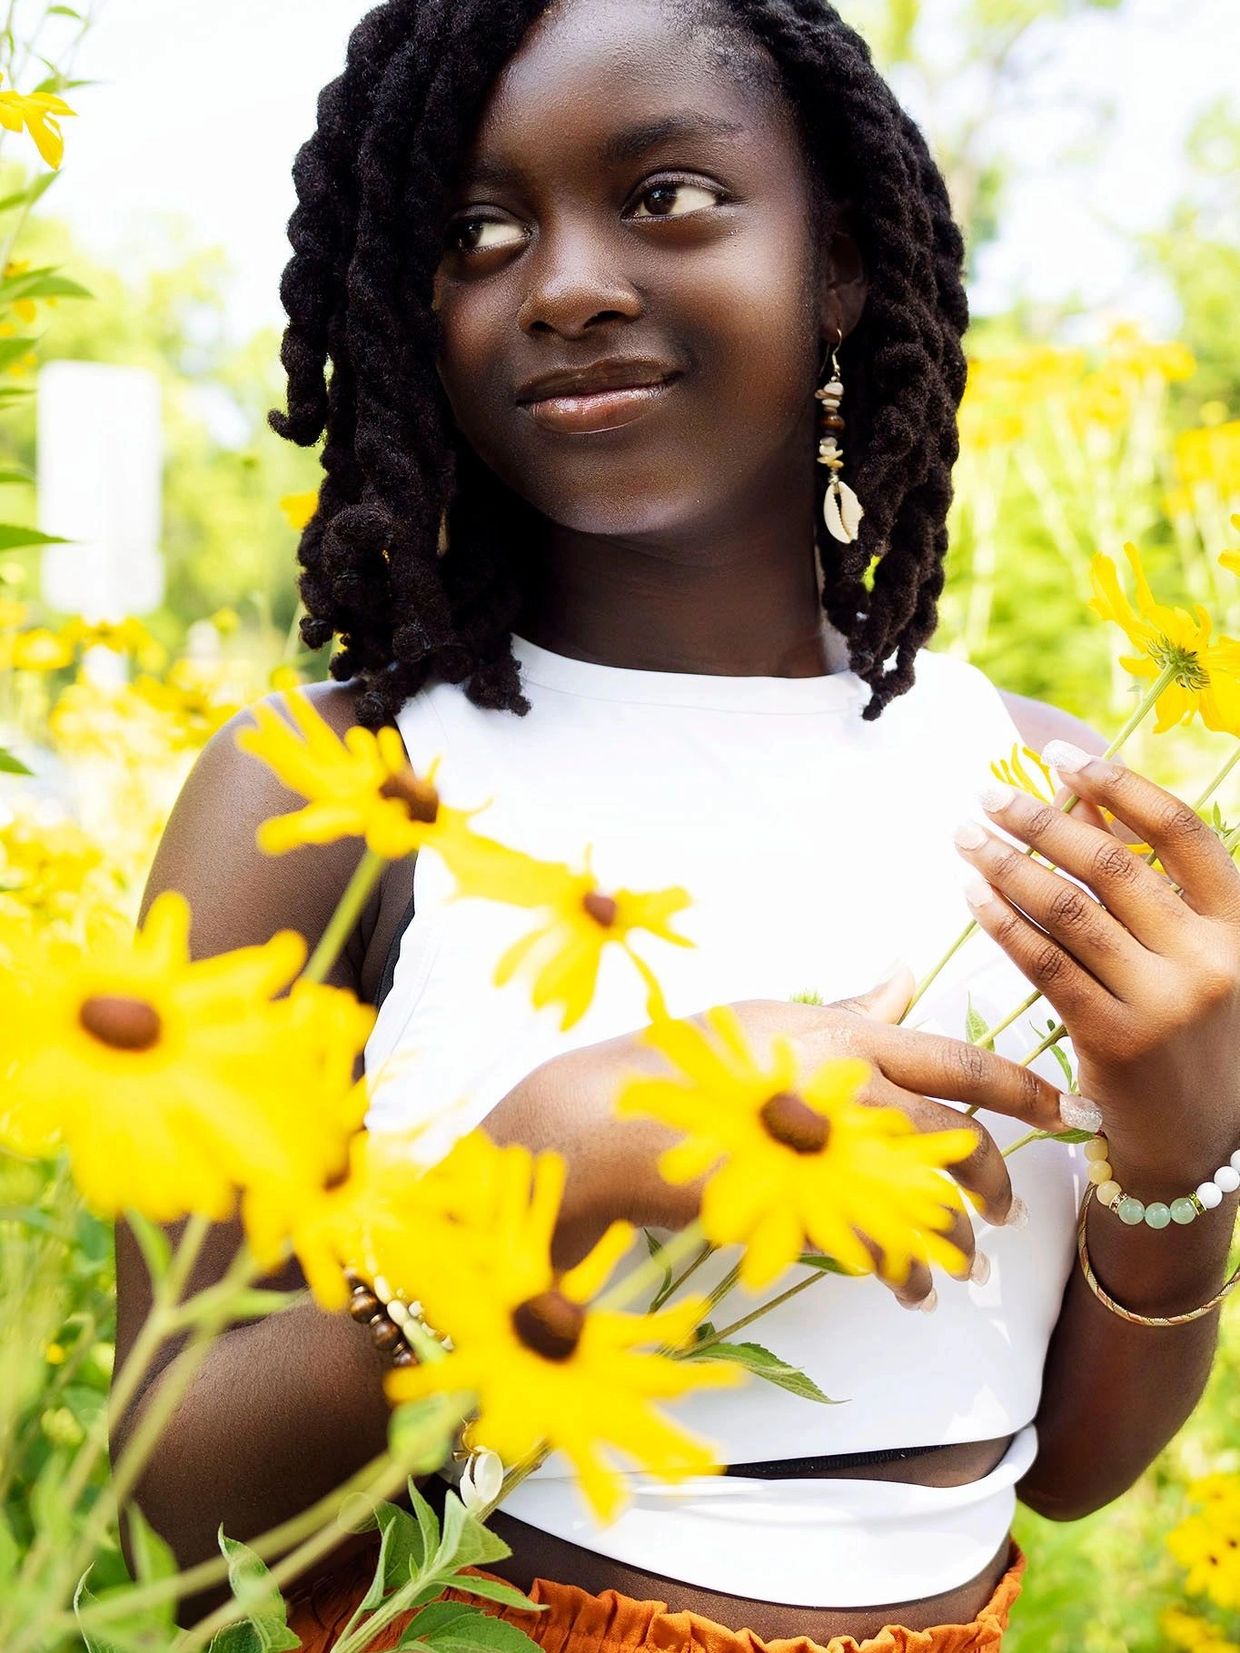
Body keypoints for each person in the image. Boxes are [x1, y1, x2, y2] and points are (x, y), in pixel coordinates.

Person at [112, 0, 1240, 1647]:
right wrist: (549, 1158)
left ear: (839, 259)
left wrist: (1179, 1155)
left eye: (665, 199)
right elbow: (171, 1499)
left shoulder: (1040, 790)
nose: (563, 283)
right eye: (476, 233)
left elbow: (1064, 1467)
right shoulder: (323, 794)